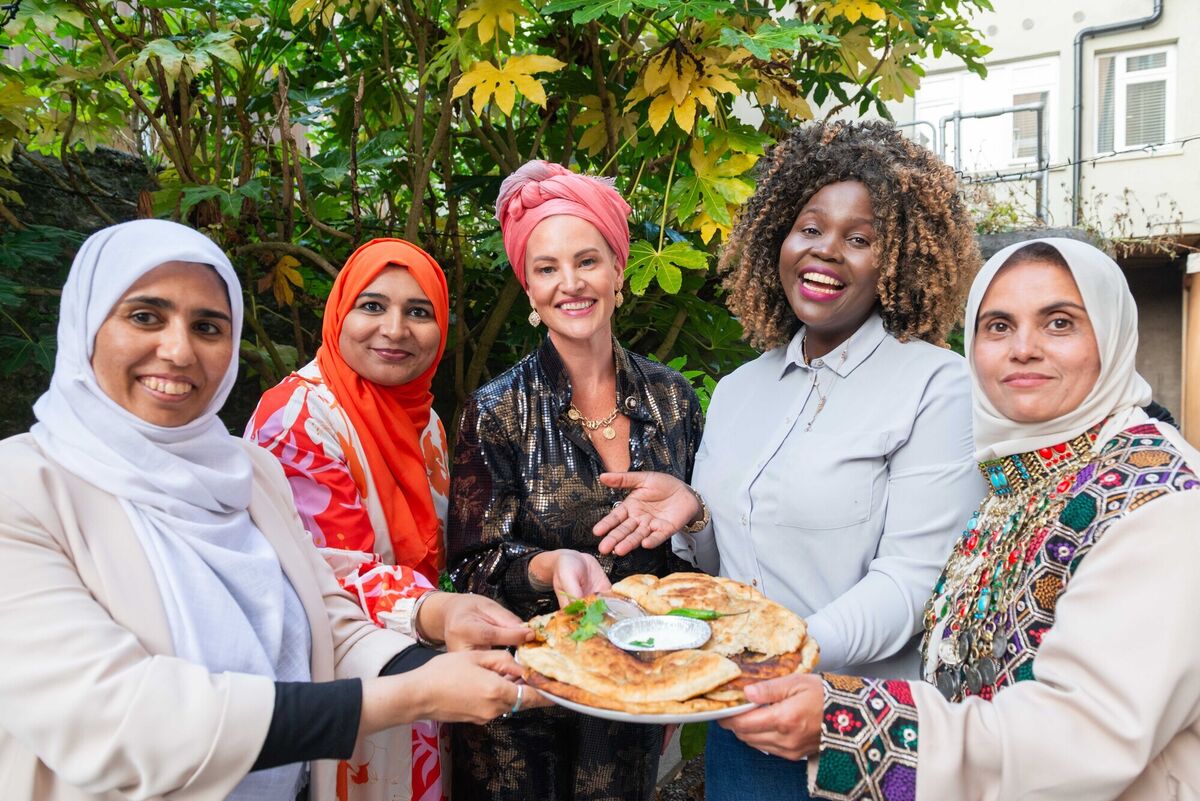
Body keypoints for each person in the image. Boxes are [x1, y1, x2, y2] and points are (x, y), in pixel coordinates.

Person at [0, 220, 546, 801]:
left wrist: (437, 649)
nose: (179, 350)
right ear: (85, 324)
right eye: (144, 316)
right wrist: (414, 692)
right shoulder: (24, 488)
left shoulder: (244, 474)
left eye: (208, 326)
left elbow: (324, 614)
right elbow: (114, 719)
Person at [713, 237, 1200, 801]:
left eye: (1059, 322)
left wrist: (845, 719)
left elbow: (1088, 736)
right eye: (997, 326)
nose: (1023, 348)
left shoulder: (1158, 499)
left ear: (1112, 336)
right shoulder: (1022, 478)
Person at [592, 120, 985, 800]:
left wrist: (779, 651)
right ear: (778, 235)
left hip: (848, 728)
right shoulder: (741, 391)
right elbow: (725, 573)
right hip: (735, 721)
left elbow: (913, 583)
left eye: (860, 239)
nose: (826, 251)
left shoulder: (936, 385)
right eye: (810, 227)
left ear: (897, 262)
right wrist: (695, 515)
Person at [446, 160, 704, 801]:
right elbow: (473, 567)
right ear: (528, 290)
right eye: (546, 268)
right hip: (523, 690)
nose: (570, 283)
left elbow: (698, 558)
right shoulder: (495, 409)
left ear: (618, 272)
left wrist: (695, 508)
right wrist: (548, 564)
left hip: (636, 684)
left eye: (587, 261)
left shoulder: (674, 400)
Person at [247, 238, 458, 801]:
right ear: (339, 312)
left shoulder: (426, 424)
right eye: (372, 306)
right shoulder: (298, 416)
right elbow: (325, 570)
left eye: (419, 311)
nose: (394, 329)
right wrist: (443, 614)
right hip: (333, 680)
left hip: (416, 662)